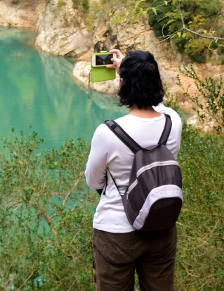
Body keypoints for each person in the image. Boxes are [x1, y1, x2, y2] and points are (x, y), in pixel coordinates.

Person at [83, 48, 182, 291]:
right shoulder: (173, 122)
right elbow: (159, 105)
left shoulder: (107, 132)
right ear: (156, 81)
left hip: (117, 232)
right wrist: (130, 73)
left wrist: (124, 74)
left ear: (124, 85)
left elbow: (93, 182)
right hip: (160, 225)